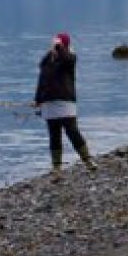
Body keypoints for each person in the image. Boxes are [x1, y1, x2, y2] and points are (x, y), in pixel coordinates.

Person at [34, 33, 97, 177]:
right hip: (49, 103)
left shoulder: (70, 58)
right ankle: (57, 167)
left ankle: (87, 160)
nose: (54, 45)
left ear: (64, 45)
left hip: (65, 102)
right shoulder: (46, 61)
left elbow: (66, 58)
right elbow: (41, 81)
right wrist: (38, 100)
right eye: (54, 42)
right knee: (54, 135)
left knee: (72, 132)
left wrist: (59, 47)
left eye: (58, 43)